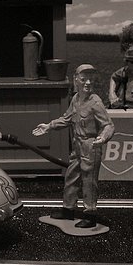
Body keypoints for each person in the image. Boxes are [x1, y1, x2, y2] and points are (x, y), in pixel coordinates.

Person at [33, 64, 115, 228]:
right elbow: (67, 119)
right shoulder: (76, 99)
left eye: (91, 79)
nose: (87, 83)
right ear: (75, 80)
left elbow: (109, 125)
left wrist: (103, 138)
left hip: (91, 146)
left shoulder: (95, 102)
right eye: (83, 79)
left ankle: (90, 214)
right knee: (71, 177)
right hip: (77, 145)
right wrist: (49, 126)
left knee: (89, 181)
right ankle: (68, 210)